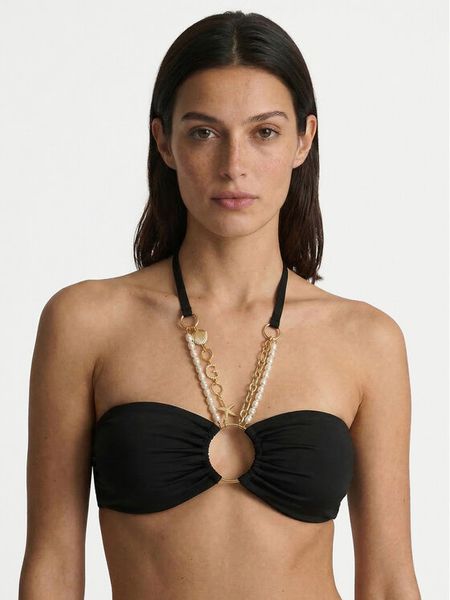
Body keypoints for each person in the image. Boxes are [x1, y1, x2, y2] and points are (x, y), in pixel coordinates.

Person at [19, 10, 421, 600]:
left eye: (265, 132)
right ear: (165, 141)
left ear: (304, 139)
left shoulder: (367, 339)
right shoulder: (85, 323)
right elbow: (52, 567)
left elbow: (388, 581)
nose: (234, 165)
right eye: (204, 132)